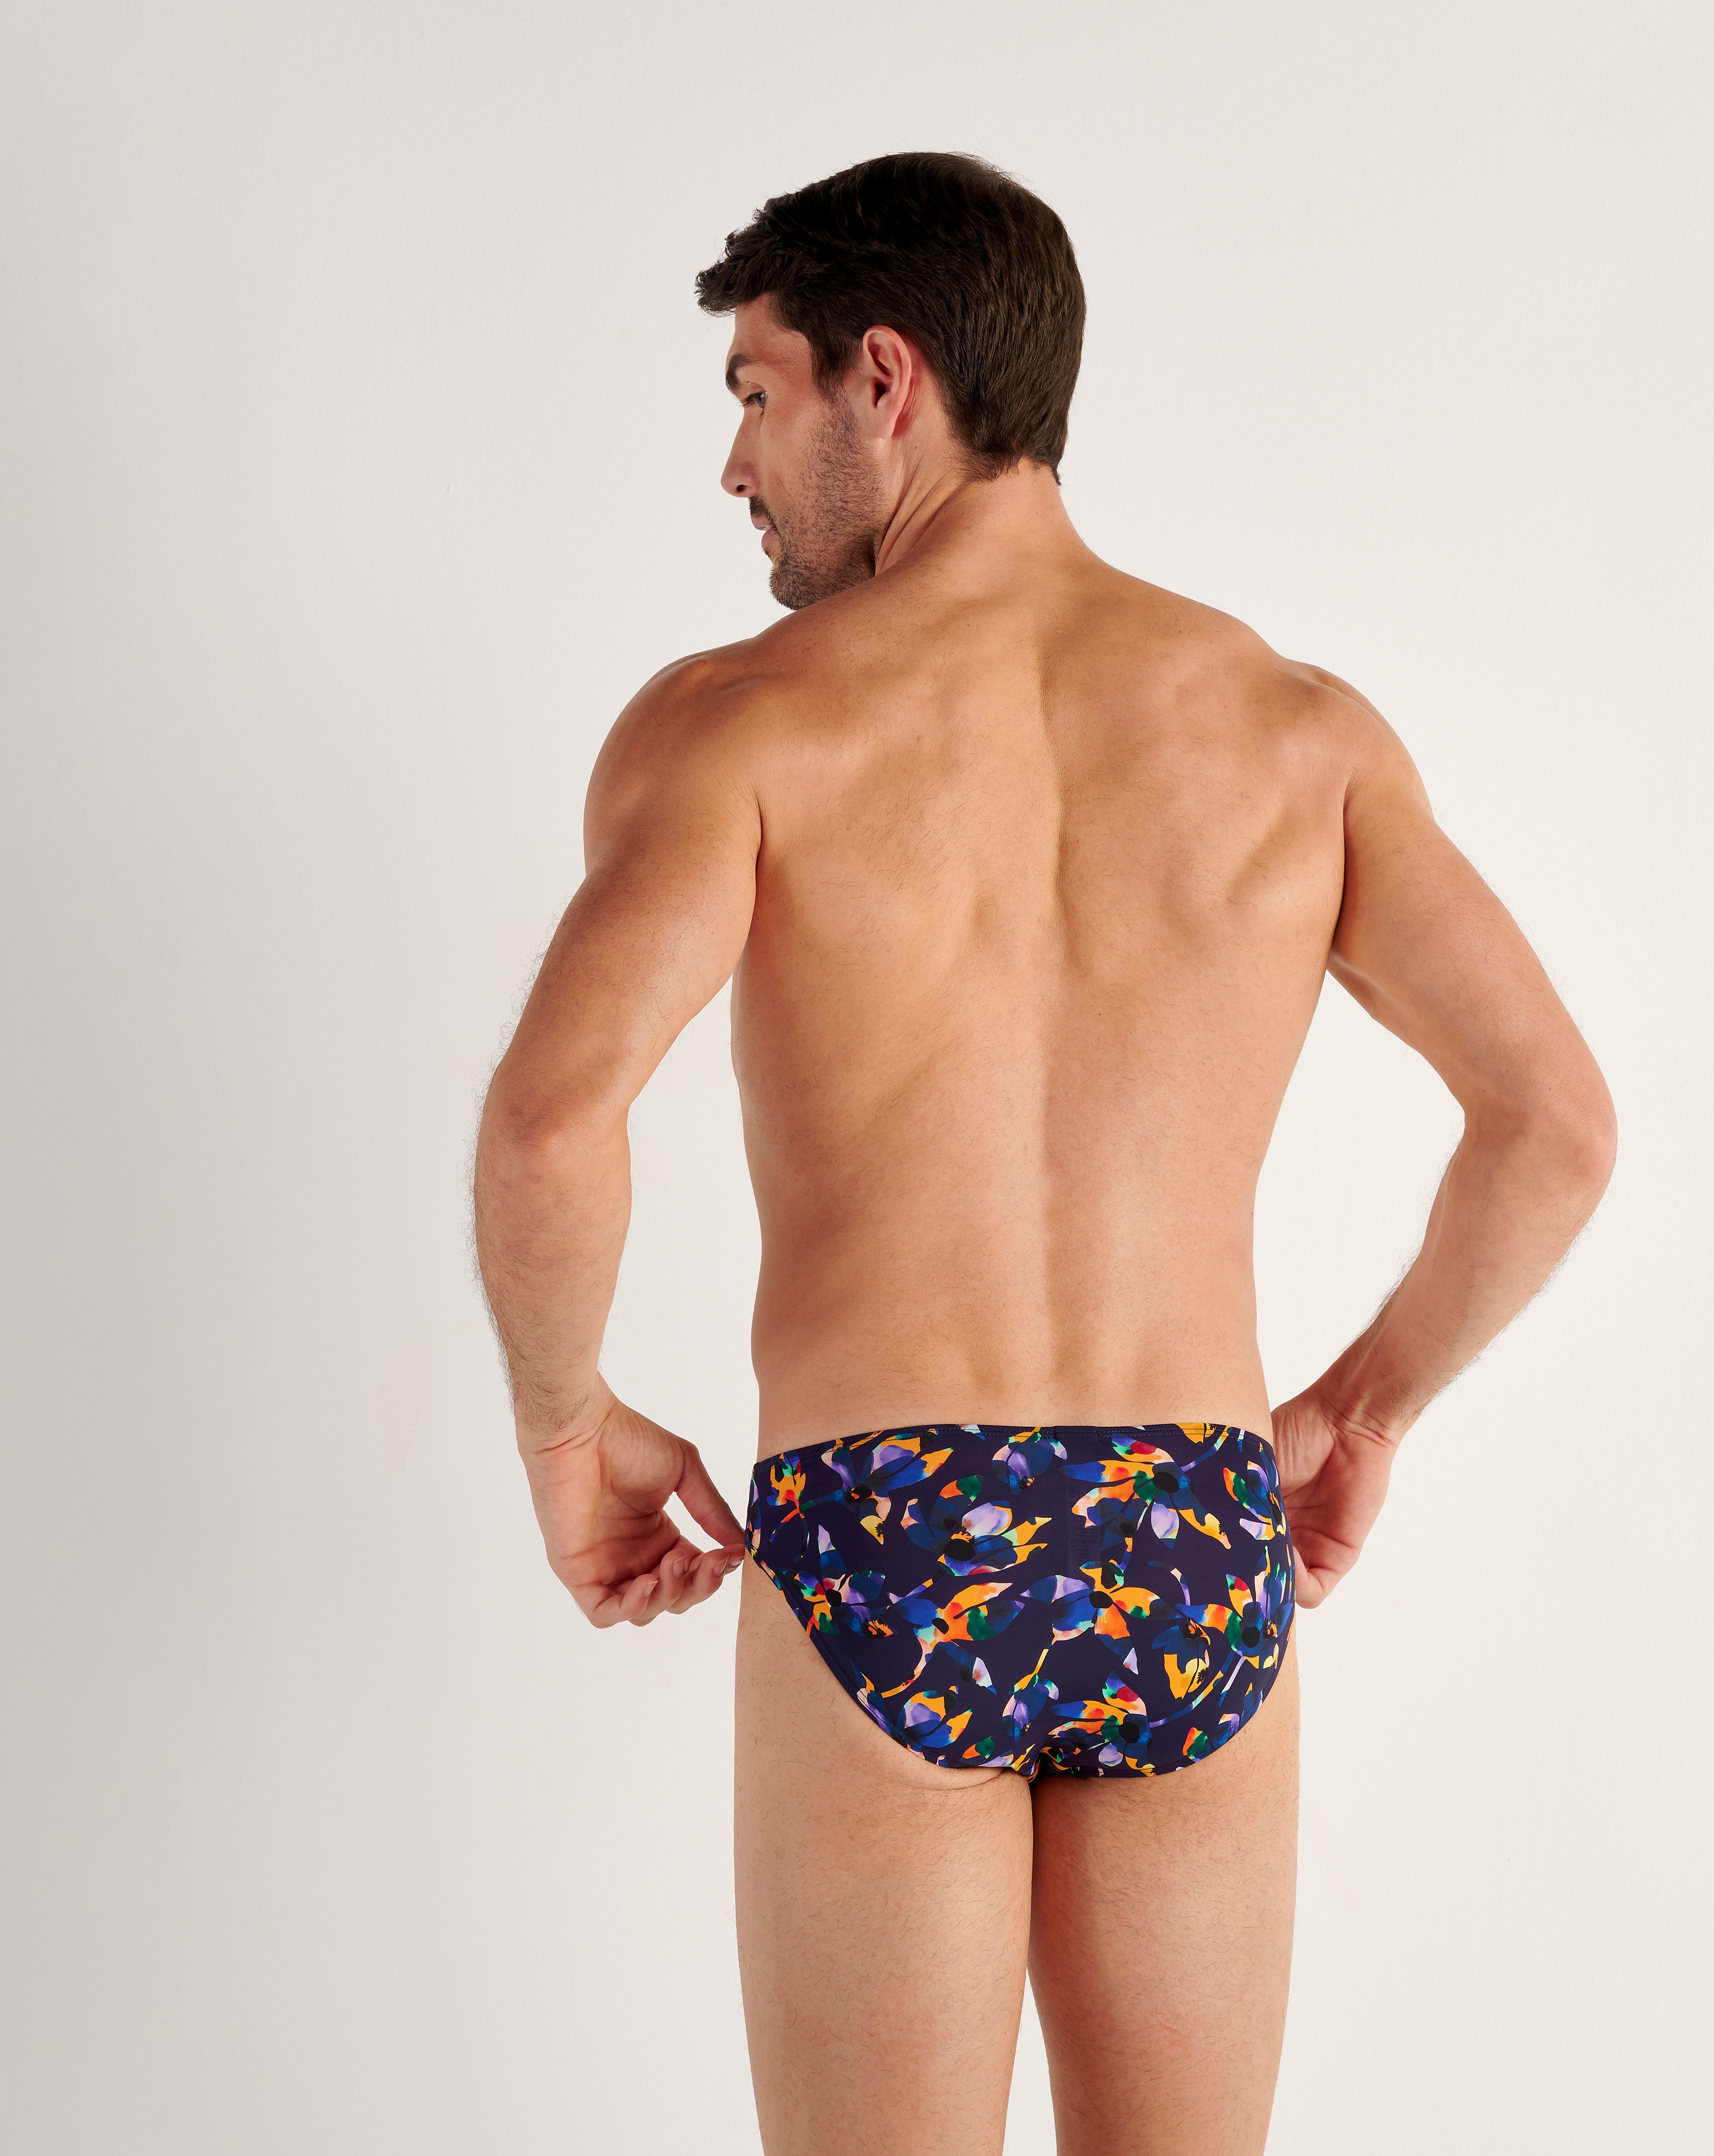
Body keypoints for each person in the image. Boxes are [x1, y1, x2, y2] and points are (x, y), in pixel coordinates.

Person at [473, 150, 1615, 2156]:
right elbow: (1554, 1125)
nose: (735, 467)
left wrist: (568, 1435)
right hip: (1191, 1531)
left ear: (884, 378)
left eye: (756, 395)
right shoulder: (1300, 734)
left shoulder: (736, 728)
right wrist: (1363, 1409)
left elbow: (555, 1121)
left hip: (886, 1531)